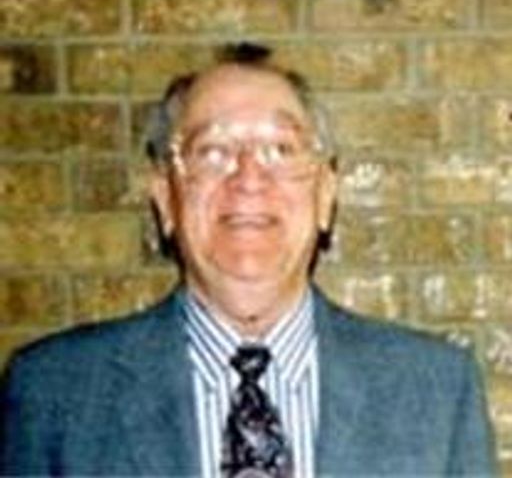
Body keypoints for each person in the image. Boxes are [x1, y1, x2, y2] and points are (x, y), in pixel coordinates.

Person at [0, 42, 497, 477]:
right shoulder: (56, 394)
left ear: (326, 194)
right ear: (166, 198)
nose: (249, 178)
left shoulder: (436, 391)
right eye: (212, 151)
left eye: (280, 149)